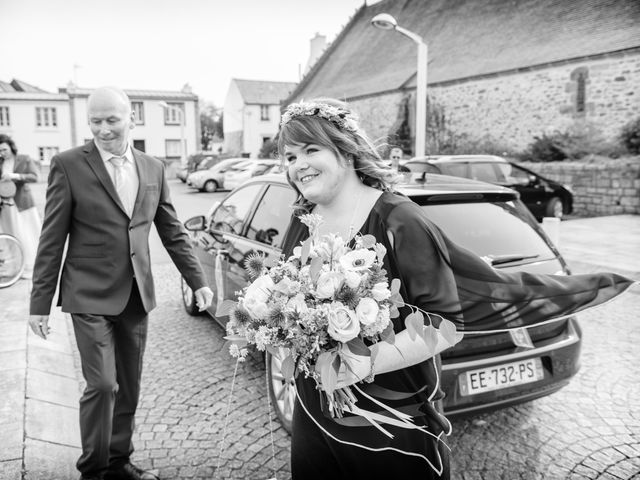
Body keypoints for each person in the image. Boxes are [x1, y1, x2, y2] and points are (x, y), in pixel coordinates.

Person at [275, 98, 635, 479]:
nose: (298, 165)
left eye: (310, 150)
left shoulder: (400, 220)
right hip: (314, 411)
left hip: (391, 419)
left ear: (345, 150)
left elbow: (446, 325)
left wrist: (364, 361)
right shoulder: (303, 219)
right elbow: (288, 294)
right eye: (290, 157)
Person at [28, 87, 213, 480]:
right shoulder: (67, 165)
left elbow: (172, 230)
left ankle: (118, 462)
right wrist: (38, 303)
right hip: (87, 293)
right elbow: (51, 238)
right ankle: (93, 470)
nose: (103, 129)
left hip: (135, 294)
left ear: (131, 118)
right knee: (103, 384)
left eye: (112, 119)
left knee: (128, 386)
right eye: (95, 121)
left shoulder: (153, 167)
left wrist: (197, 280)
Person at [0, 134, 41, 278]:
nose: (2, 153)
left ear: (11, 147)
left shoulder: (24, 159)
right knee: (11, 235)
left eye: (4, 149)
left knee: (26, 234)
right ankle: (15, 267)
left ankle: (30, 267)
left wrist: (15, 176)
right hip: (5, 205)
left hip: (22, 204)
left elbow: (35, 177)